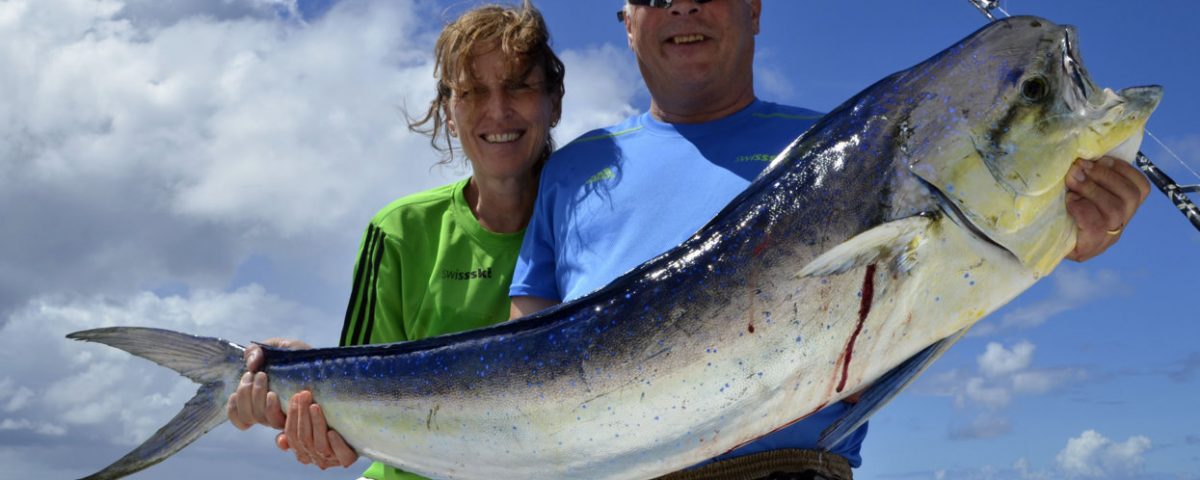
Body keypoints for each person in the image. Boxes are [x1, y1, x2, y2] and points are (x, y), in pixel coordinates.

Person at [507, 0, 1151, 479]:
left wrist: (1082, 226)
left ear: (755, 10)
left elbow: (958, 273)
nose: (684, 4)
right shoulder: (572, 168)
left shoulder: (838, 150)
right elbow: (527, 327)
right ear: (625, 20)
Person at [224, 2, 565, 479]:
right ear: (448, 111)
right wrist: (301, 389)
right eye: (472, 92)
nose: (498, 110)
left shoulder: (596, 221)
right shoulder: (398, 229)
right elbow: (357, 405)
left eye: (519, 86)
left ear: (556, 100)